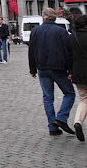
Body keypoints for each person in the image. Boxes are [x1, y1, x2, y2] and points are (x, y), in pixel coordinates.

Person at [28, 8, 75, 136]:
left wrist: (32, 69)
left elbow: (31, 51)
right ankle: (61, 117)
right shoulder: (61, 31)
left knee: (48, 97)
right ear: (55, 18)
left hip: (42, 68)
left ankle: (52, 127)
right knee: (69, 93)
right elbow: (68, 52)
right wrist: (70, 69)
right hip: (59, 68)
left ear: (43, 18)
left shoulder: (35, 31)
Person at [68, 14, 87, 142]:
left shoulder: (71, 38)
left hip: (78, 73)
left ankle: (78, 122)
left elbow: (68, 57)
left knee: (84, 98)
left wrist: (70, 71)